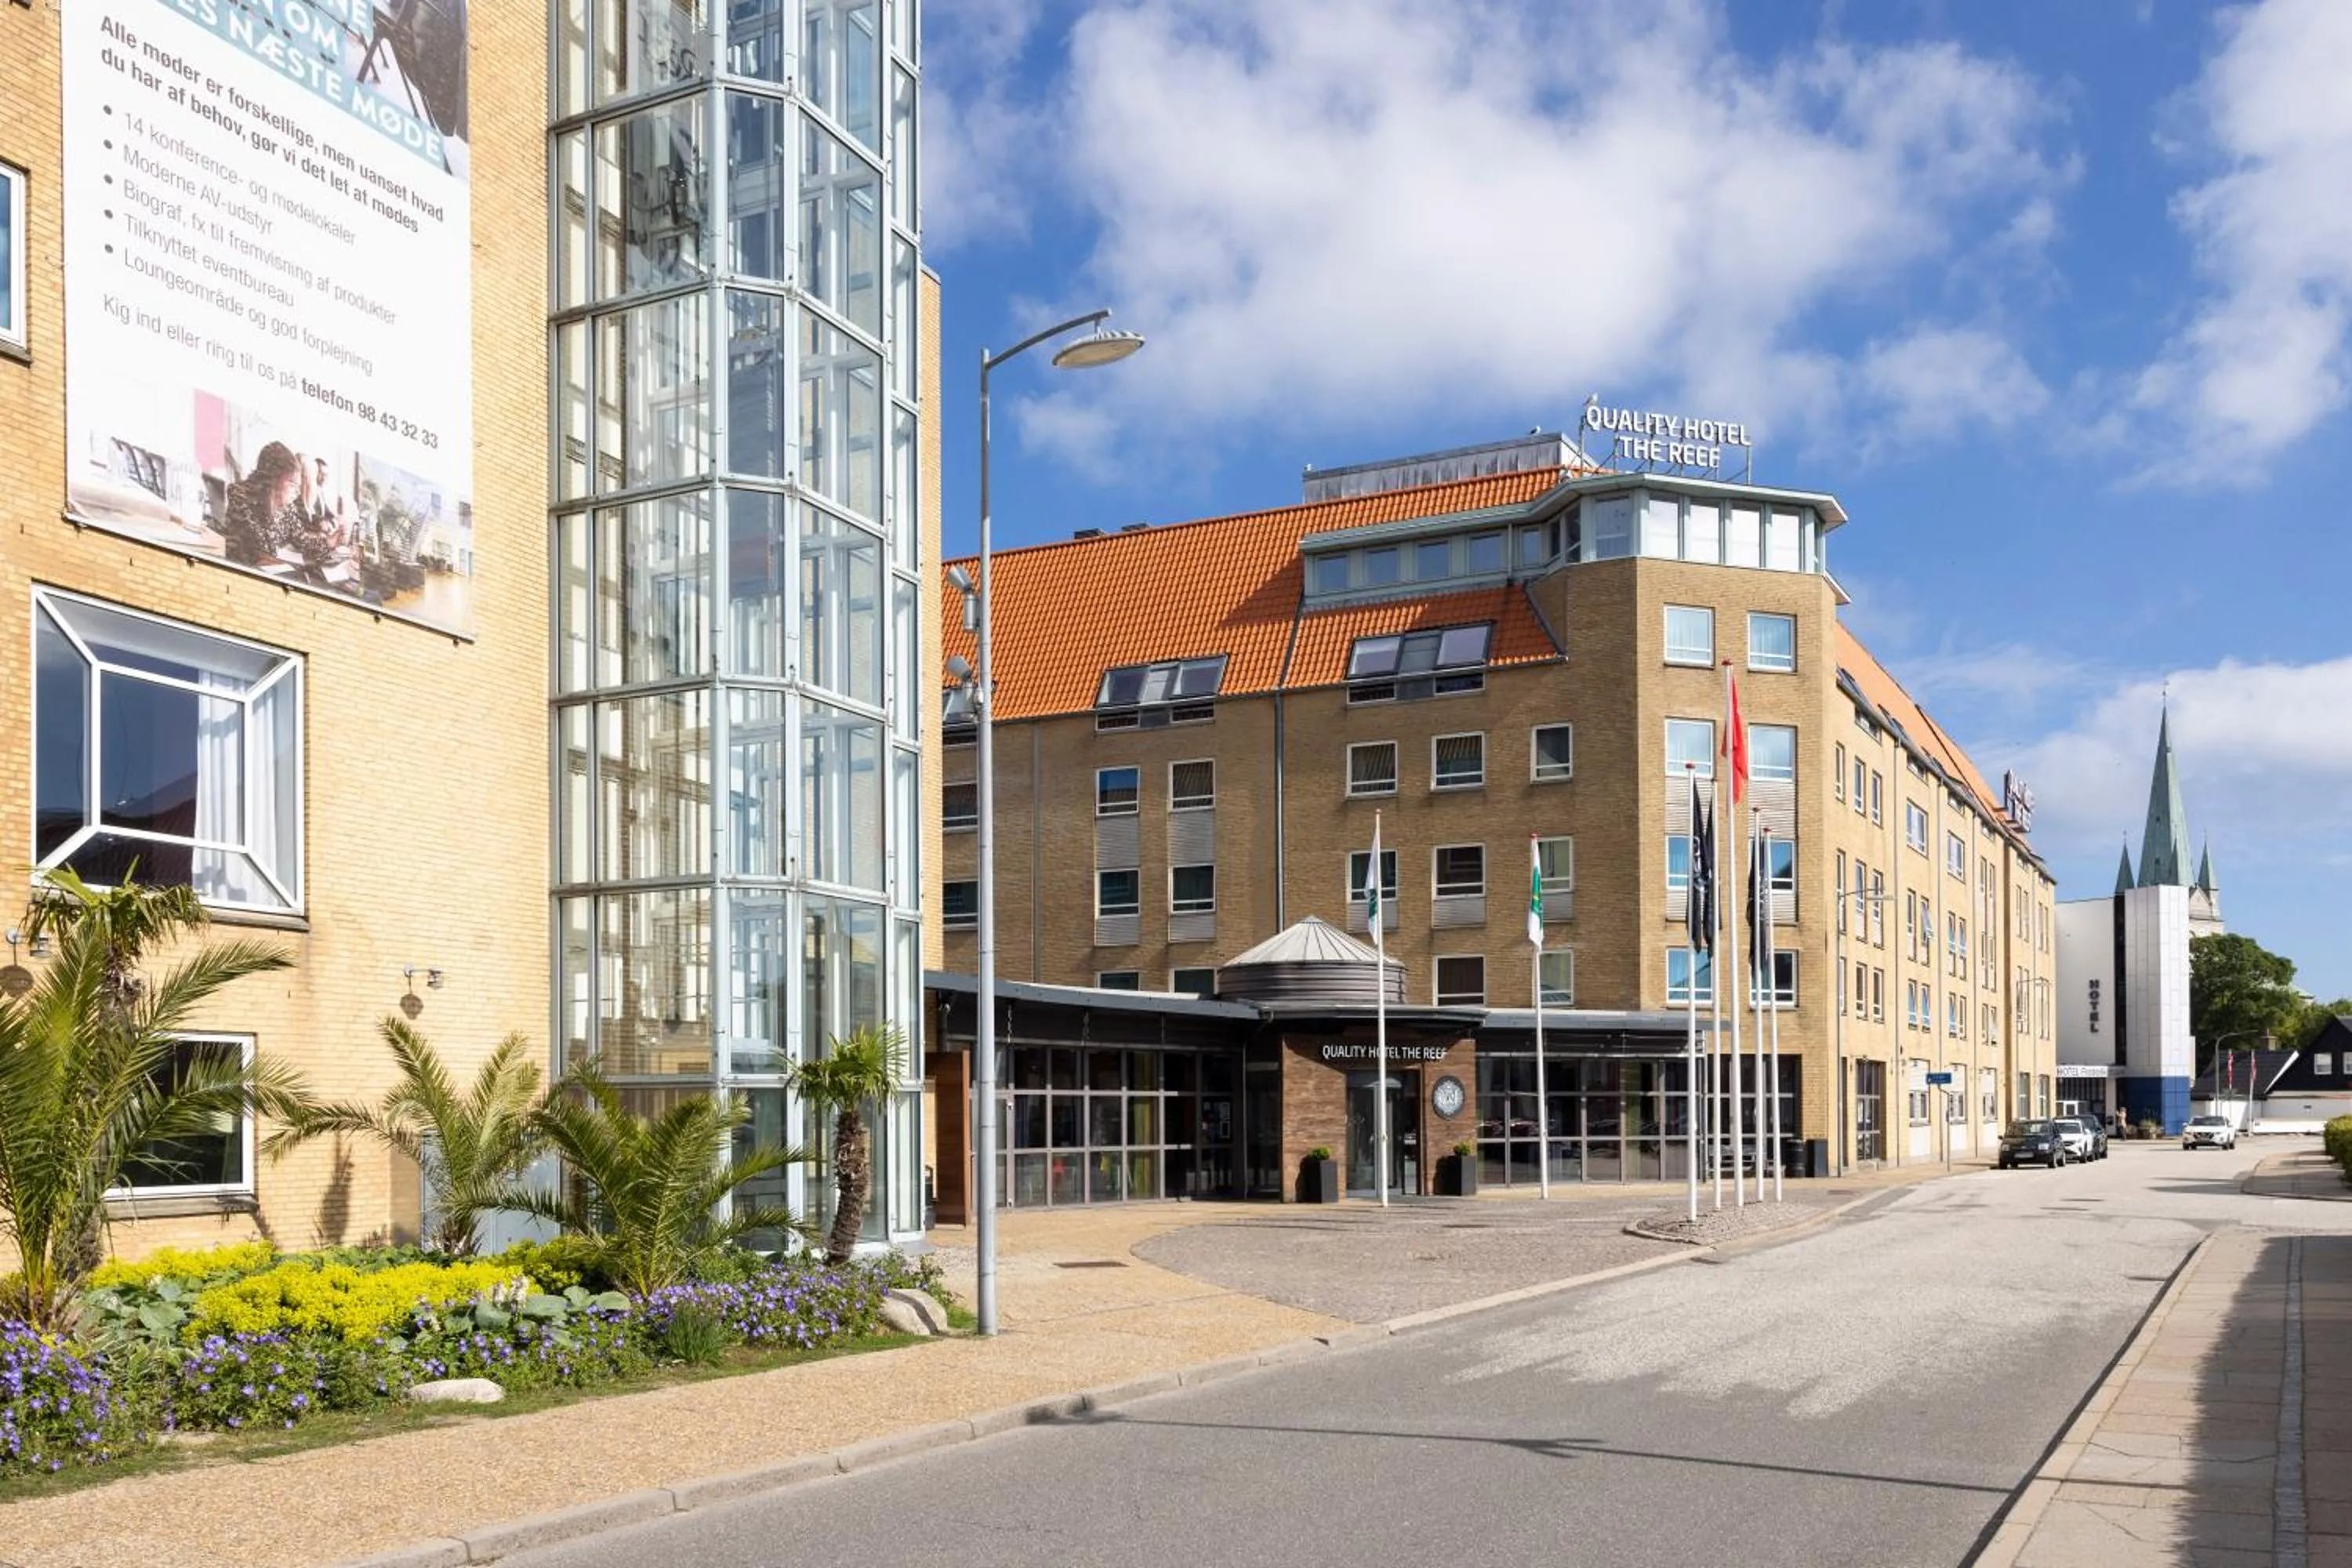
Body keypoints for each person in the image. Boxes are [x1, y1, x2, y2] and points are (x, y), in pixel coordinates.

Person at [219, 441, 310, 566]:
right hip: (240, 572)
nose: (297, 492)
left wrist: (328, 544)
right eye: (292, 483)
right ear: (274, 479)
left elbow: (302, 539)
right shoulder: (241, 496)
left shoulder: (287, 507)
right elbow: (262, 548)